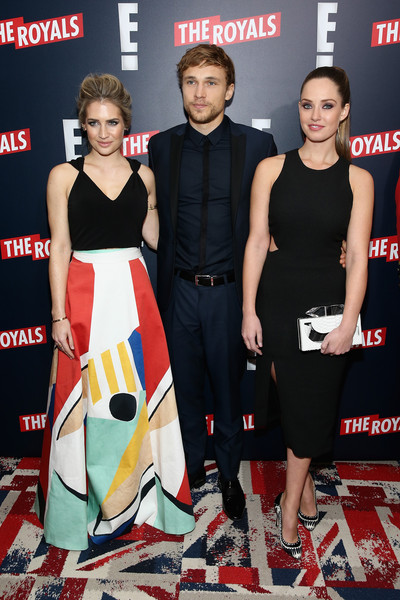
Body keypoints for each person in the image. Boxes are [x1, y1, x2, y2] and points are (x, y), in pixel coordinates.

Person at [35, 74, 195, 551]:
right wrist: (58, 315)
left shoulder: (144, 176)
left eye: (112, 123)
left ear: (127, 124)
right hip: (83, 296)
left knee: (136, 395)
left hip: (133, 295)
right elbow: (59, 248)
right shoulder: (63, 176)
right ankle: (85, 504)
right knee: (86, 402)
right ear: (83, 125)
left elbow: (156, 238)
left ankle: (142, 499)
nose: (103, 133)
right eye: (94, 123)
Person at [241, 66, 374, 559]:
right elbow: (257, 242)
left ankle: (289, 508)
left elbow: (357, 255)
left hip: (327, 309)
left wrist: (349, 322)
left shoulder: (358, 179)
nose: (315, 115)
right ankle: (306, 492)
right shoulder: (271, 169)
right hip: (276, 302)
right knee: (297, 405)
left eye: (327, 105)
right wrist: (248, 310)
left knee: (309, 406)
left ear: (344, 112)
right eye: (307, 104)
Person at [148, 44, 277, 521]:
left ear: (230, 90)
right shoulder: (161, 146)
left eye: (211, 82)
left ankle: (227, 473)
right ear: (181, 89)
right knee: (183, 390)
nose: (199, 93)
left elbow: (276, 219)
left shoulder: (257, 146)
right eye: (191, 82)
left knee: (227, 390)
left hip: (230, 292)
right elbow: (148, 214)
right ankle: (189, 467)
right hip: (178, 290)